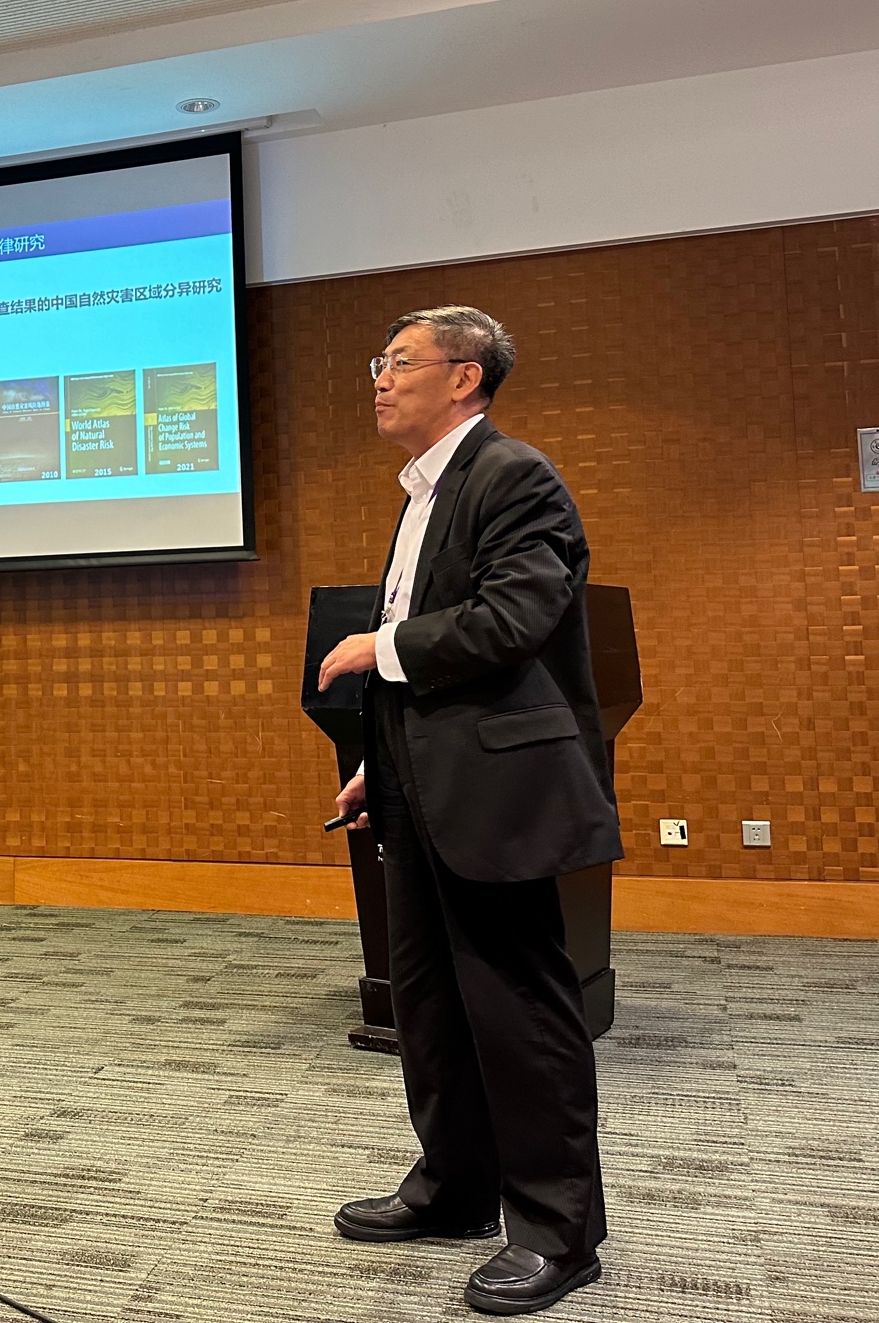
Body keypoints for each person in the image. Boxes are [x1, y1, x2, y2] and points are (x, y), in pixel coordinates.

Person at [316, 306, 622, 1315]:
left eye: (398, 361)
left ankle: (557, 1233)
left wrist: (377, 649)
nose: (379, 378)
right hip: (420, 783)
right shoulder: (423, 491)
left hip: (500, 792)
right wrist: (379, 759)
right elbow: (438, 653)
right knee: (432, 1003)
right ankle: (454, 1189)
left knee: (519, 1009)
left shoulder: (513, 476)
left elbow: (513, 620)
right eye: (379, 361)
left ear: (464, 376)